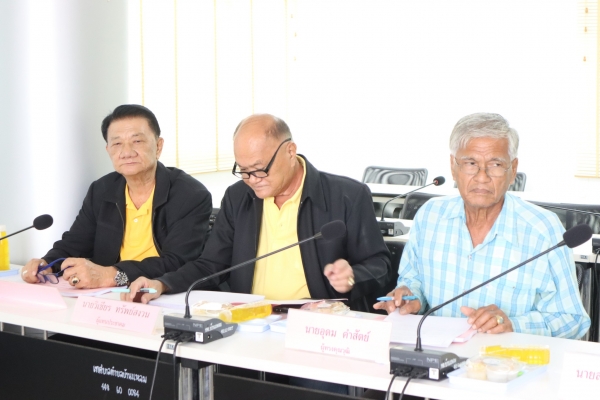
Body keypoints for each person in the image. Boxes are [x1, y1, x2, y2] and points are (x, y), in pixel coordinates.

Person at [125, 113, 391, 312]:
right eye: (243, 170)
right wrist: (163, 283)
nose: (252, 180)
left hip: (317, 323)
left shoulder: (346, 196)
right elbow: (211, 265)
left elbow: (380, 264)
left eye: (259, 169)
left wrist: (353, 275)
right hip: (252, 321)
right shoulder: (238, 197)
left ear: (290, 151)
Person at [374, 112, 590, 339]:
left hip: (505, 359)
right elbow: (412, 280)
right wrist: (409, 297)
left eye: (495, 164)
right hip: (433, 354)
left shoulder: (542, 230)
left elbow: (573, 319)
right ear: (453, 167)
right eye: (471, 163)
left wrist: (514, 325)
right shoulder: (429, 217)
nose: (482, 177)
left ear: (513, 169)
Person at [21, 104, 212, 289]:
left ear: (158, 146)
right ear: (108, 151)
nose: (126, 152)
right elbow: (75, 243)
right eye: (117, 143)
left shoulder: (190, 195)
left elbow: (178, 261)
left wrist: (112, 275)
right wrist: (46, 263)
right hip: (107, 295)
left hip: (162, 293)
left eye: (137, 141)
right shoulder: (101, 190)